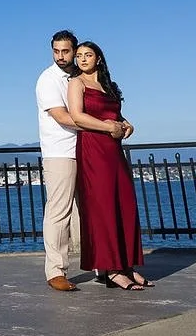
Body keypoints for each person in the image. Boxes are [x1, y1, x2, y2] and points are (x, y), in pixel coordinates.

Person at [36, 30, 128, 292]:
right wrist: (107, 127)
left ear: (74, 52)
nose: (61, 56)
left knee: (93, 211)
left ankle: (102, 267)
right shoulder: (48, 79)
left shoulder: (82, 78)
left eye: (66, 51)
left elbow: (102, 108)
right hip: (61, 152)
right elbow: (66, 117)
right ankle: (56, 271)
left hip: (88, 150)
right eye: (56, 51)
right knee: (59, 211)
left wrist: (120, 122)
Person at [66, 41, 153, 290]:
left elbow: (114, 114)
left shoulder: (108, 85)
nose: (82, 59)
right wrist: (109, 127)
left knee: (124, 204)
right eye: (79, 55)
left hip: (113, 150)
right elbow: (77, 116)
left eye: (88, 55)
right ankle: (112, 270)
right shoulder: (77, 83)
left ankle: (128, 265)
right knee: (103, 206)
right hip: (93, 147)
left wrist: (127, 124)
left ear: (99, 59)